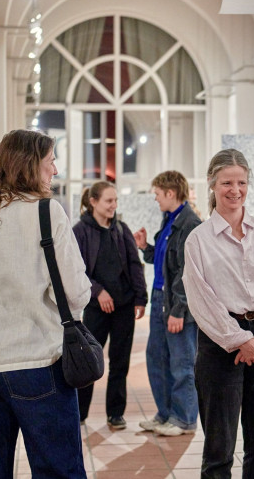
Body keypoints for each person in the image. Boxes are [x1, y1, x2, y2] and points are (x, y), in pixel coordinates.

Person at [0, 129, 91, 477]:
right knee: (58, 471)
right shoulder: (45, 212)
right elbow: (75, 293)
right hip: (36, 363)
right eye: (50, 161)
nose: (55, 170)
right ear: (29, 165)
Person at [182, 149, 254, 478]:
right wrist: (242, 340)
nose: (235, 190)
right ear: (212, 184)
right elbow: (202, 300)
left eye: (242, 182)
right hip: (220, 345)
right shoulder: (198, 240)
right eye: (227, 182)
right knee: (219, 449)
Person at [72, 181, 148, 429]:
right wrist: (98, 292)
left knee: (120, 361)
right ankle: (79, 414)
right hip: (96, 308)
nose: (114, 205)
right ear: (93, 202)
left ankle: (115, 414)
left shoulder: (121, 229)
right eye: (108, 201)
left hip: (124, 306)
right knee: (90, 361)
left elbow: (135, 265)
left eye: (115, 200)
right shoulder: (80, 231)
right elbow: (76, 270)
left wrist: (141, 298)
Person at [134, 171, 202, 437]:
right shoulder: (169, 220)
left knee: (182, 364)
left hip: (176, 303)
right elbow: (165, 262)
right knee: (157, 359)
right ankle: (165, 414)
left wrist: (179, 310)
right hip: (160, 298)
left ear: (171, 193)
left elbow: (188, 272)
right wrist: (145, 248)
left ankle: (184, 419)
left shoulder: (189, 224)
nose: (156, 199)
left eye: (158, 194)